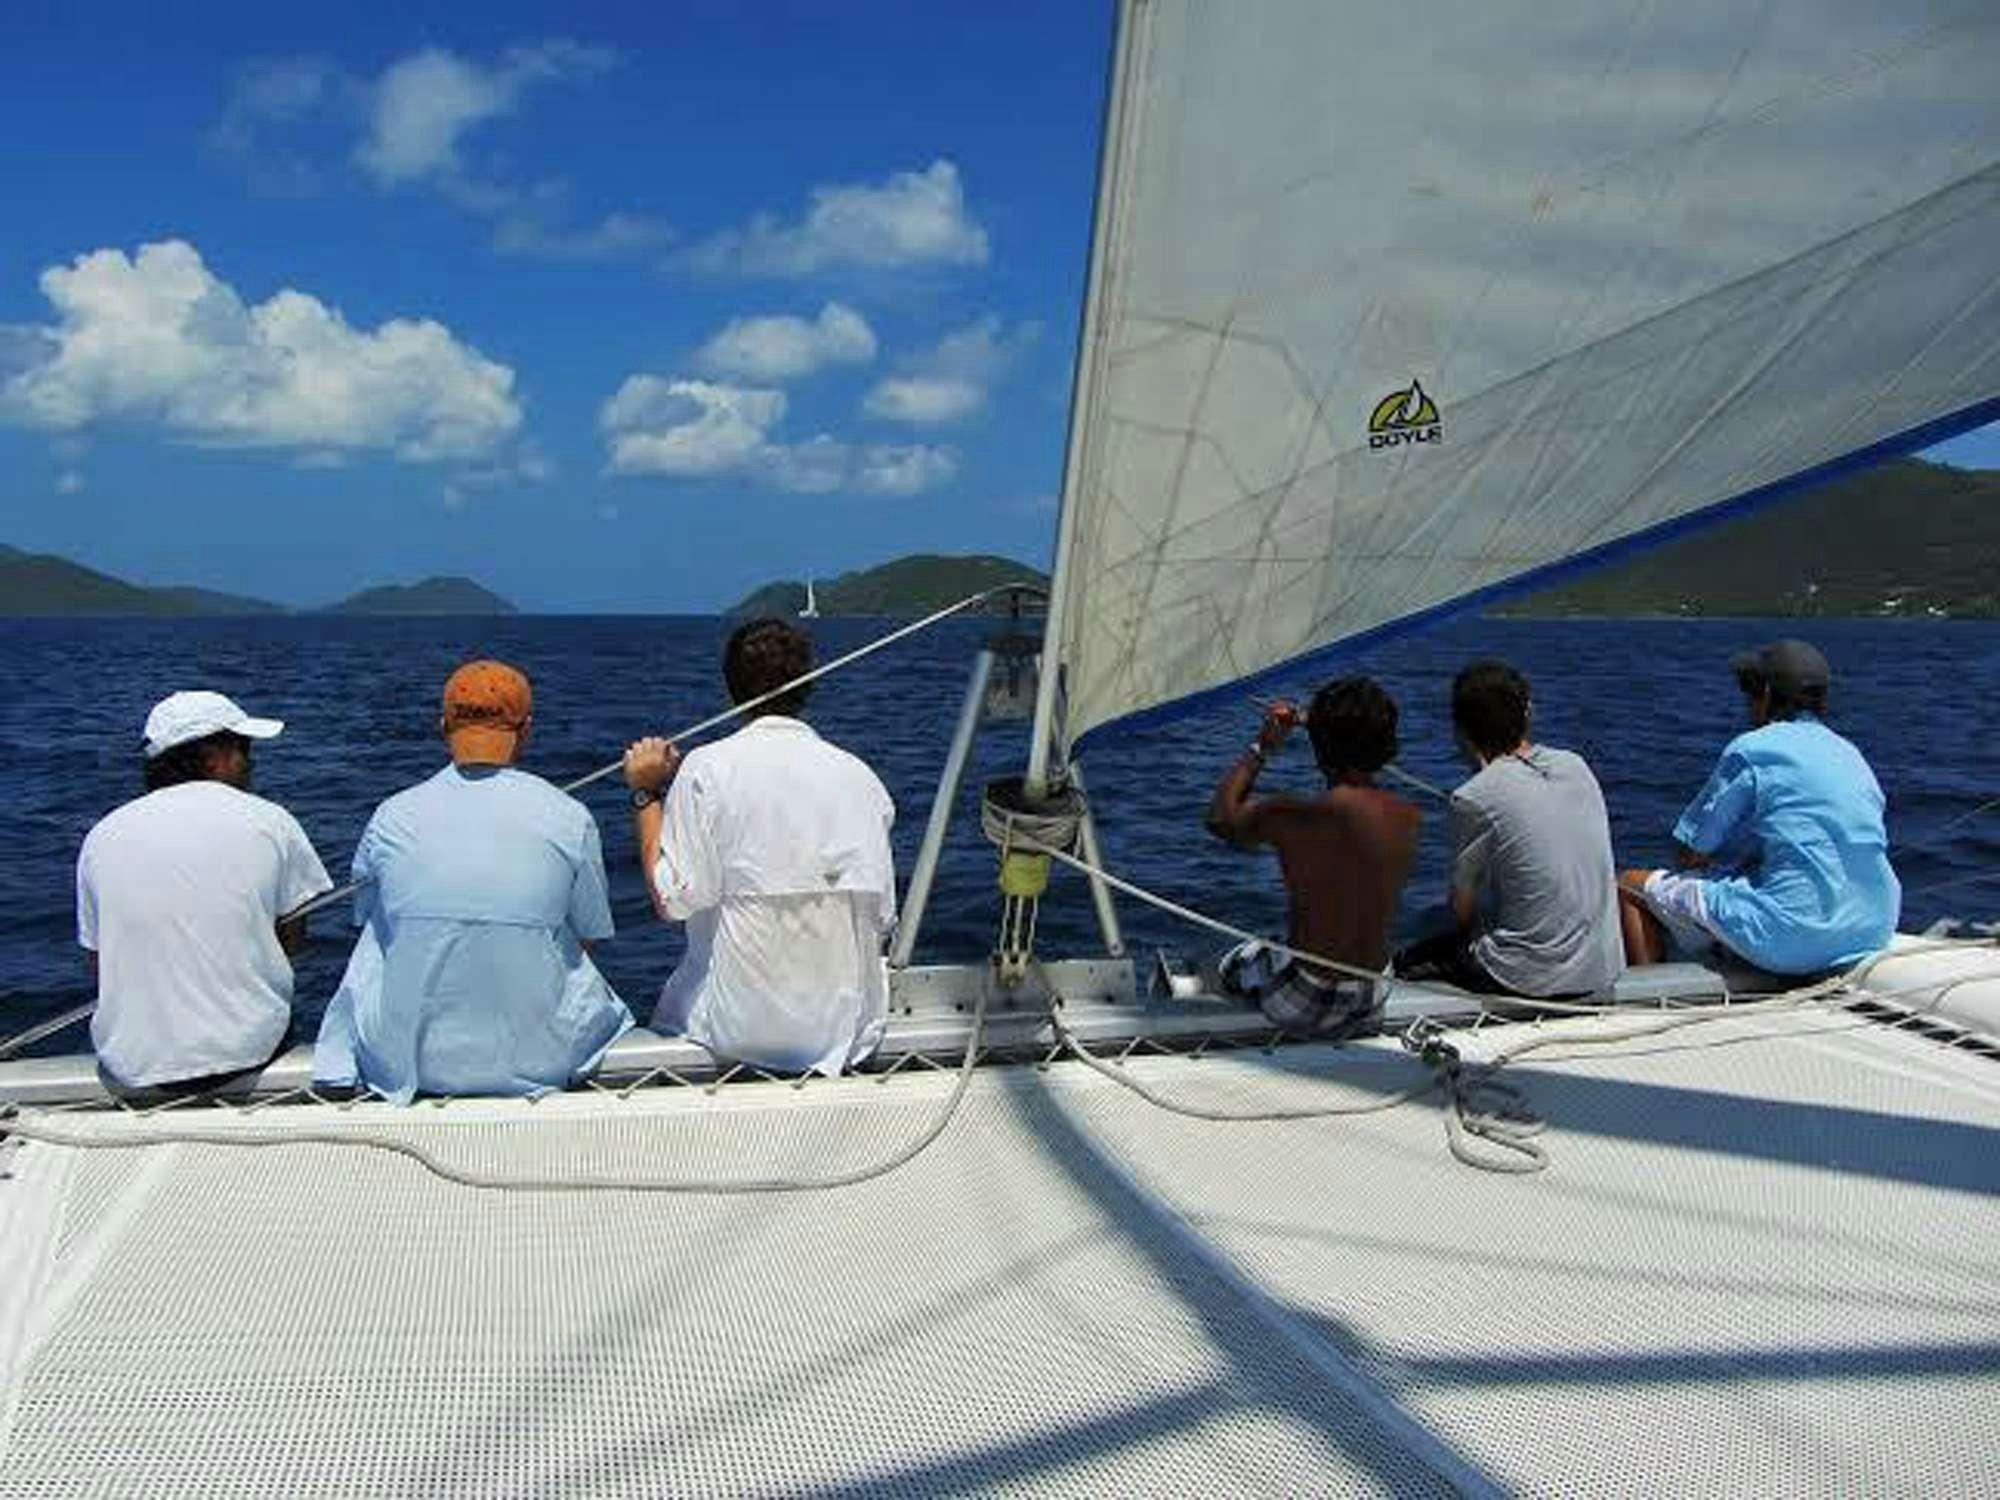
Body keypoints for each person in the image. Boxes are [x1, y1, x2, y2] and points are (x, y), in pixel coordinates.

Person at [313, 660, 631, 1103]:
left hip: (410, 1064)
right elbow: (591, 936)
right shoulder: (569, 816)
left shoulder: (391, 815)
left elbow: (365, 916)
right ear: (526, 730)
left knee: (379, 929)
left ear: (443, 726)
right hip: (542, 1060)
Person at [622, 617, 896, 1076]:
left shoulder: (706, 770)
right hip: (844, 1030)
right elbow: (883, 916)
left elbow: (671, 902)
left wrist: (646, 793)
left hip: (736, 1029)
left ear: (731, 688)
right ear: (807, 687)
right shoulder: (861, 778)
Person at [76, 690, 331, 1094]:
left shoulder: (102, 835)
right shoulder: (271, 821)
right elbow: (293, 940)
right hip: (245, 1051)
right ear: (213, 756)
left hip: (131, 1061)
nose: (251, 761)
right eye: (243, 747)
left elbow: (97, 961)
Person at [1619, 638, 1899, 974]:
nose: (1747, 702)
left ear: (1766, 694)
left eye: (1748, 689)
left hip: (1791, 935)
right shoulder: (1850, 753)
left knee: (1630, 884)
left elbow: (1690, 852)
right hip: (1873, 927)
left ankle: (1652, 997)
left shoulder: (1753, 749)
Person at [1203, 677, 1421, 1036]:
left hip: (1307, 1001)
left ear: (1320, 749)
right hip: (1372, 993)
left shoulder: (1302, 819)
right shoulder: (1405, 818)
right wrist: (1320, 726)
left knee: (1228, 966)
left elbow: (1219, 818)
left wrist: (1263, 745)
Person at [1395, 660, 1624, 998]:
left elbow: (1461, 912)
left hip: (1531, 979)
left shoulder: (1473, 797)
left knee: (1410, 955)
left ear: (1461, 730)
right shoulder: (1576, 765)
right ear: (1527, 714)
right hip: (1603, 968)